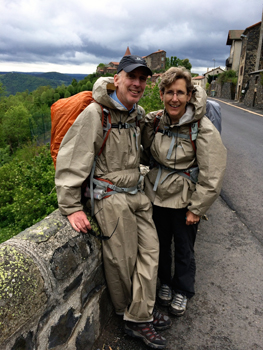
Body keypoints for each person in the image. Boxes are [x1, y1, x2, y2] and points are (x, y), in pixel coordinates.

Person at [55, 55, 171, 349]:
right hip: (108, 198)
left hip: (136, 193)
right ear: (116, 78)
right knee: (122, 259)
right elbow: (72, 160)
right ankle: (133, 318)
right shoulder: (97, 114)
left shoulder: (136, 114)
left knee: (150, 251)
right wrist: (70, 207)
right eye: (132, 77)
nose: (137, 84)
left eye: (143, 79)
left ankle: (141, 310)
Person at [141, 66, 227, 317]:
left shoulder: (202, 127)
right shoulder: (156, 121)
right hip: (156, 196)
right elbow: (144, 152)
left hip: (185, 201)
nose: (174, 98)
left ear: (189, 95)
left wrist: (197, 208)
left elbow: (213, 172)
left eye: (180, 92)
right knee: (160, 246)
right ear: (161, 94)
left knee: (184, 249)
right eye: (169, 92)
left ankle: (183, 289)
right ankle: (165, 283)